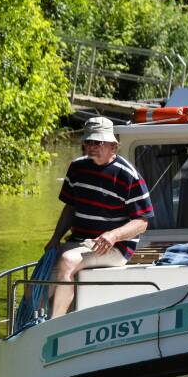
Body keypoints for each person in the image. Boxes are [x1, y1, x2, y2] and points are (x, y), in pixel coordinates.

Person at [48, 116, 154, 317]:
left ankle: (54, 325)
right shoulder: (77, 168)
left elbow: (142, 222)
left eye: (98, 142)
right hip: (78, 242)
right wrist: (54, 238)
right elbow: (70, 208)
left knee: (68, 260)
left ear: (113, 146)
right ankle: (29, 328)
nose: (92, 147)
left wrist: (113, 235)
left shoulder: (128, 175)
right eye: (88, 141)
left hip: (115, 247)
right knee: (34, 285)